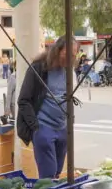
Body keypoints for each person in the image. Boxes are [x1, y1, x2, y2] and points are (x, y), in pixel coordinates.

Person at [17, 36, 77, 179]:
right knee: (48, 174)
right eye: (68, 54)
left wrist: (70, 122)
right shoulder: (38, 68)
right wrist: (35, 127)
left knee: (57, 171)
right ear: (58, 50)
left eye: (74, 55)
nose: (71, 58)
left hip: (62, 128)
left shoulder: (70, 71)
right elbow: (23, 100)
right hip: (43, 127)